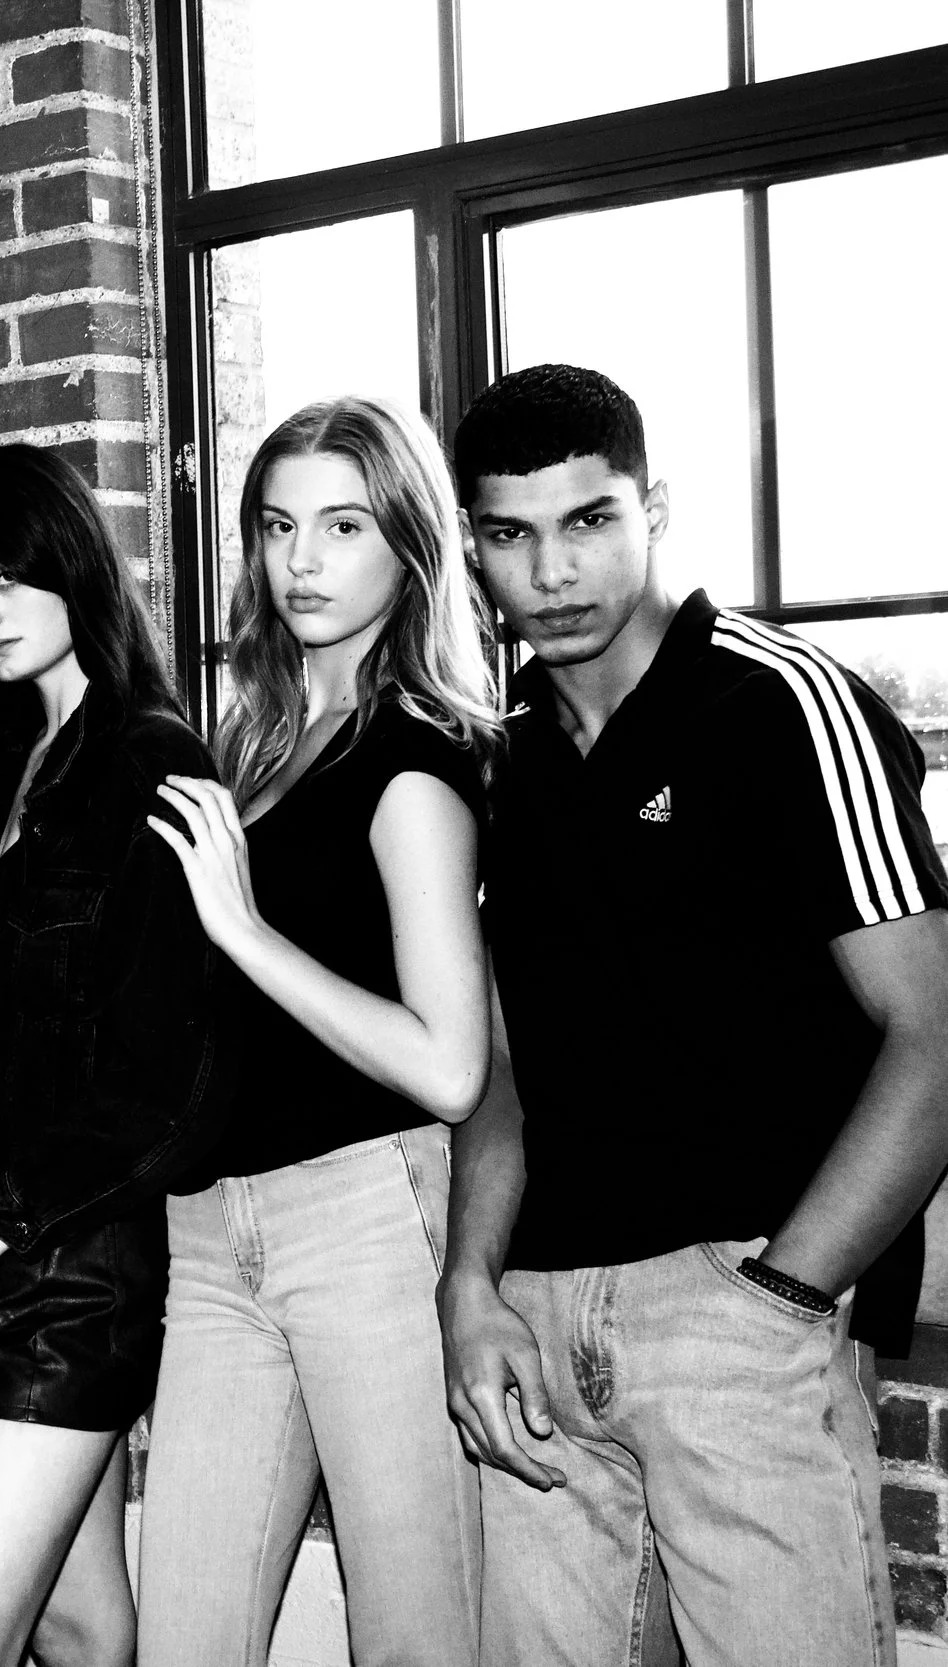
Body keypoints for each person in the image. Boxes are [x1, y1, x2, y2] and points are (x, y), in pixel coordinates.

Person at [439, 363, 948, 1667]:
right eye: (510, 533)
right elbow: (503, 1070)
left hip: (746, 1306)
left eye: (589, 519)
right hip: (542, 1323)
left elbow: (936, 1029)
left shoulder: (783, 702)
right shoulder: (504, 765)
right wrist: (468, 1284)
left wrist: (789, 1291)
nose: (553, 569)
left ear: (653, 506)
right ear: (474, 548)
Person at [131, 397, 500, 1666]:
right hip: (211, 1228)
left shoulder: (415, 759)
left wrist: (238, 927)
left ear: (407, 544)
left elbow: (449, 1063)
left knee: (413, 1640)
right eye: (279, 525)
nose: (302, 560)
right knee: (184, 1634)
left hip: (365, 1220)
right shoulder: (255, 747)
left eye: (342, 525)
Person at [0, 441, 238, 1667]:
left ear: (69, 561)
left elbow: (174, 1083)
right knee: (80, 1631)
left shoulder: (153, 762)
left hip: (71, 1282)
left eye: (1, 577)